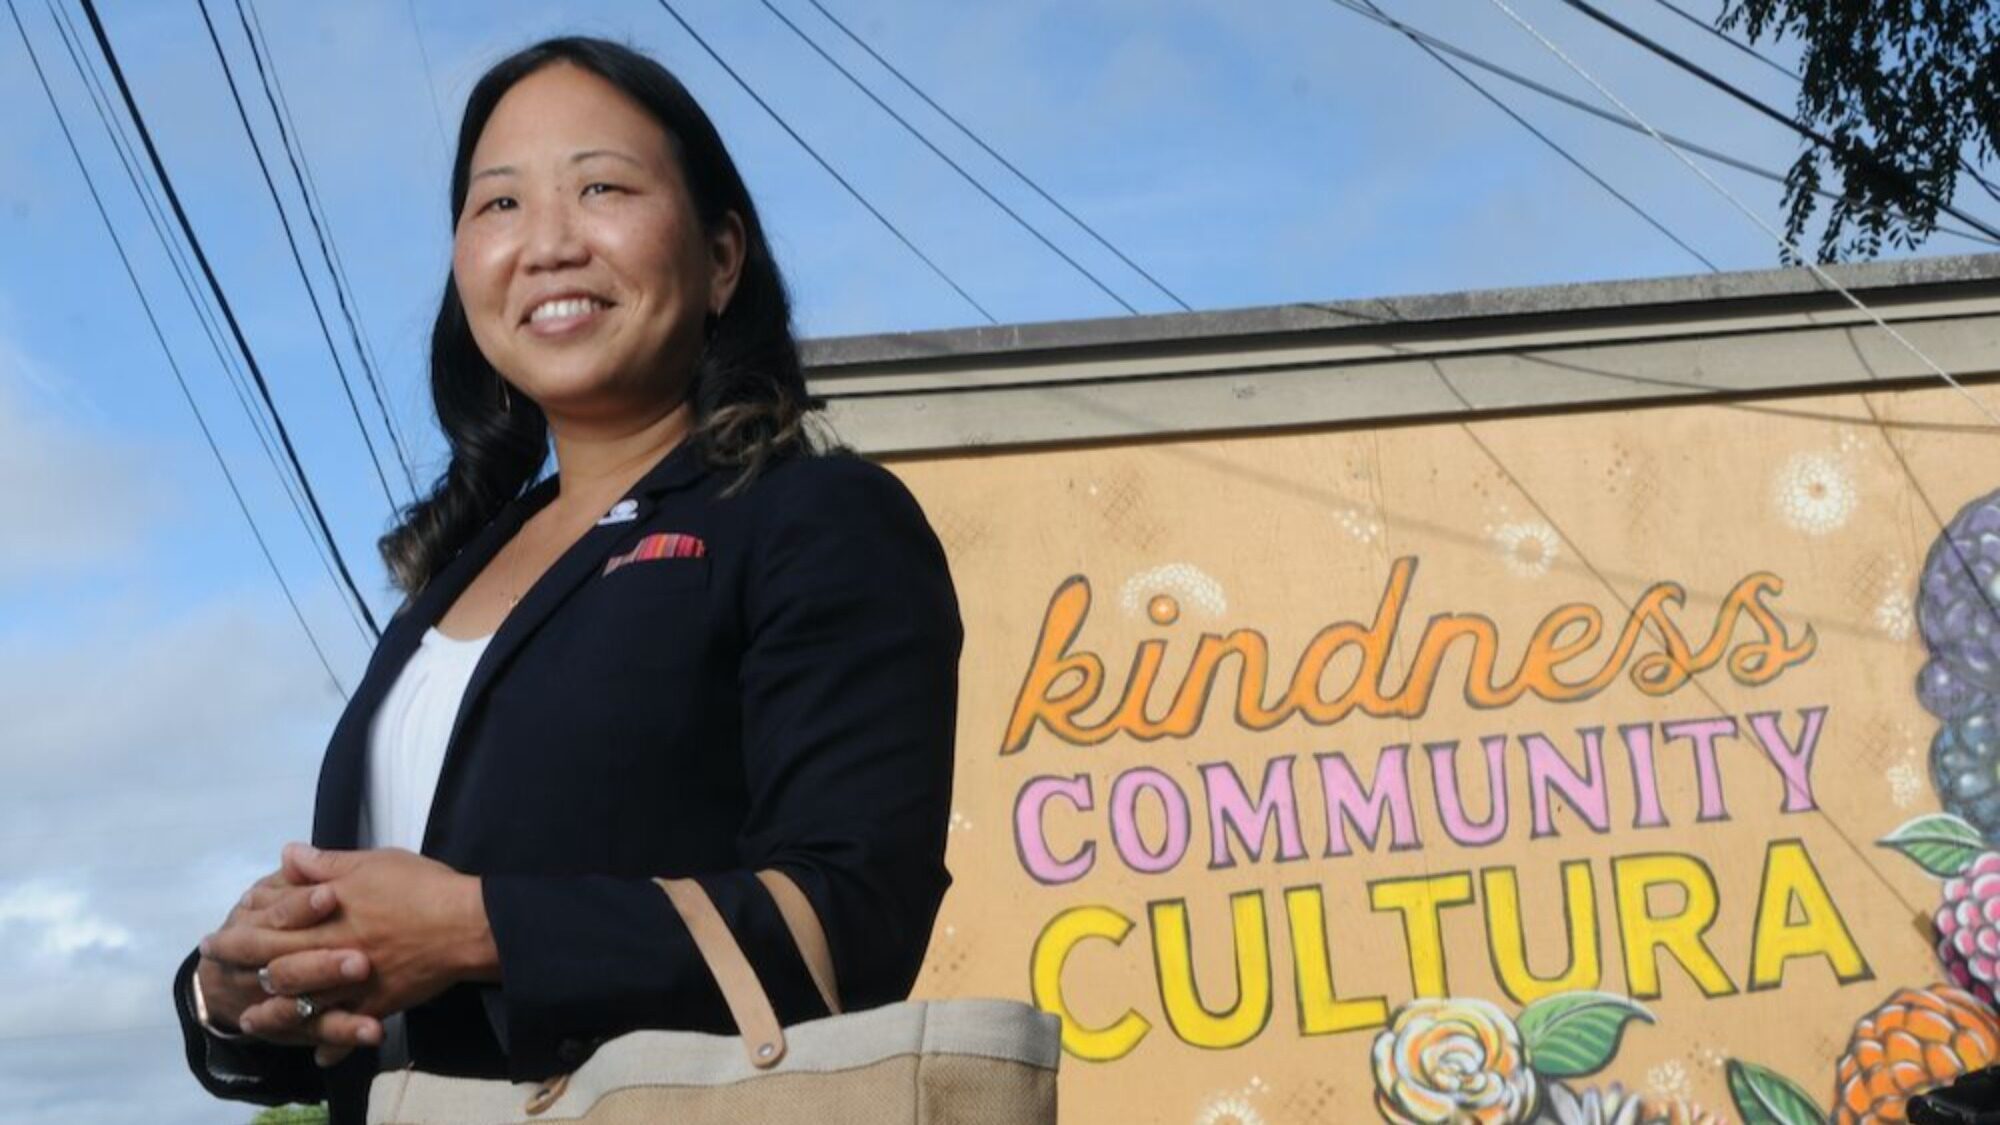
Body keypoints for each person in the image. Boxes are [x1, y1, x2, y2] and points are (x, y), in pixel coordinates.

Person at [170, 35, 961, 1124]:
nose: (544, 244)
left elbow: (854, 921)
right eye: (498, 206)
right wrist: (241, 985)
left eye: (600, 188)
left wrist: (473, 929)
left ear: (721, 255)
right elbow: (383, 993)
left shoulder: (811, 519)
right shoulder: (457, 572)